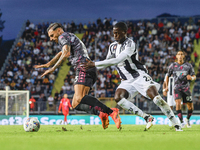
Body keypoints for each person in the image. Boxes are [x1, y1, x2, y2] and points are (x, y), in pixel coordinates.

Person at [82, 22, 182, 131]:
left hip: (139, 76)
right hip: (126, 80)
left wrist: (94, 64)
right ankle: (147, 117)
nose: (115, 36)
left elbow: (118, 60)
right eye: (114, 33)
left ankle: (176, 124)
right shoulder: (112, 46)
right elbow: (107, 62)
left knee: (157, 99)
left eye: (117, 33)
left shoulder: (130, 44)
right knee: (118, 97)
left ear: (124, 32)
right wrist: (90, 67)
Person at [34, 22, 121, 129]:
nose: (51, 39)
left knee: (80, 97)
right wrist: (49, 64)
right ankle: (101, 114)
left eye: (52, 35)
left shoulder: (62, 36)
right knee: (75, 104)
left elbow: (66, 53)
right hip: (88, 67)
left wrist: (53, 68)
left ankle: (111, 112)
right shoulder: (68, 37)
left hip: (83, 67)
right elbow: (61, 52)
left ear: (59, 31)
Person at [165, 50, 196, 128]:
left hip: (186, 88)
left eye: (182, 54)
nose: (180, 55)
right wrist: (166, 87)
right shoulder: (172, 66)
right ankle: (181, 121)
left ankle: (187, 119)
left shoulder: (188, 66)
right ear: (176, 56)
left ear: (183, 56)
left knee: (190, 107)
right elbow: (168, 76)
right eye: (179, 54)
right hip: (176, 88)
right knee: (178, 104)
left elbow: (194, 76)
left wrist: (191, 78)